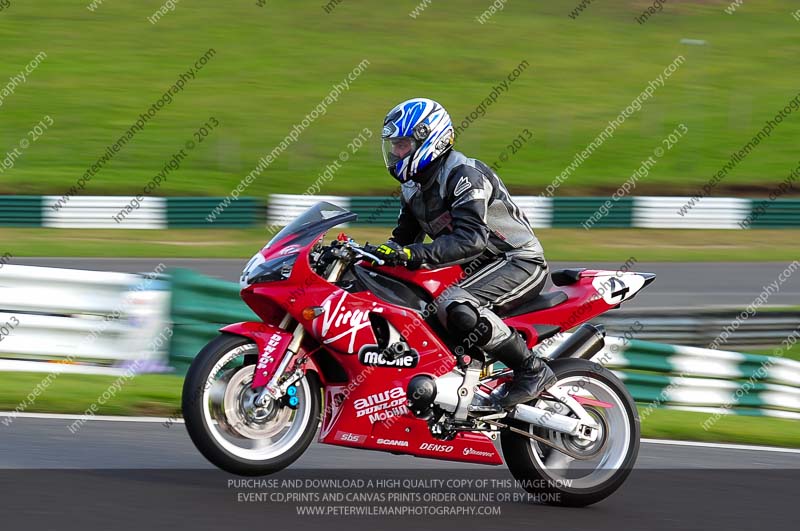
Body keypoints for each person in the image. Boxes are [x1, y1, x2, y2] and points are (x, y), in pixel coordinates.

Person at [374, 97, 556, 408]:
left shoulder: (464, 176)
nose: (395, 153)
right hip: (472, 268)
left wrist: (413, 255)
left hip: (516, 261)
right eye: (393, 146)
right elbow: (402, 240)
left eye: (402, 144)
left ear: (428, 140)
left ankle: (532, 370)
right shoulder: (413, 186)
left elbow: (471, 240)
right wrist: (365, 256)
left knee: (457, 306)